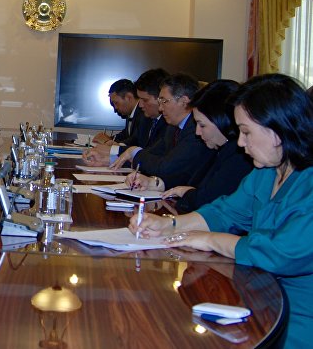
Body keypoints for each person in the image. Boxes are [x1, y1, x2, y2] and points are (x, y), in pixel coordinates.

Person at [129, 74, 313, 348]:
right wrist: (169, 225)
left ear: (278, 130)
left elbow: (279, 253)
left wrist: (210, 239)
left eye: (246, 132)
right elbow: (225, 212)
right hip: (258, 300)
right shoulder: (267, 172)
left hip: (296, 320)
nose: (240, 143)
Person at [126, 80, 252, 212]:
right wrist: (155, 183)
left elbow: (205, 199)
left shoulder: (238, 156)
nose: (197, 132)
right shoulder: (217, 148)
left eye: (202, 125)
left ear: (223, 121)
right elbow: (189, 179)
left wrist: (187, 193)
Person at [112, 74, 215, 188]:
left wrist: (133, 152)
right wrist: (116, 160)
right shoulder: (172, 128)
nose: (160, 108)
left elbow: (166, 167)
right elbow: (152, 154)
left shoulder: (196, 130)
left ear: (183, 101)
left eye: (164, 101)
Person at [85, 69, 169, 165]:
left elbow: (150, 155)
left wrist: (113, 150)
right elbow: (135, 142)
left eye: (145, 100)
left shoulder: (169, 124)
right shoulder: (147, 119)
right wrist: (112, 150)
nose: (140, 105)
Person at [93, 79, 144, 144]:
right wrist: (110, 139)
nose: (115, 108)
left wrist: (107, 142)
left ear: (129, 97)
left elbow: (135, 141)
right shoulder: (130, 113)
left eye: (116, 103)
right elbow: (125, 134)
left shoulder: (144, 113)